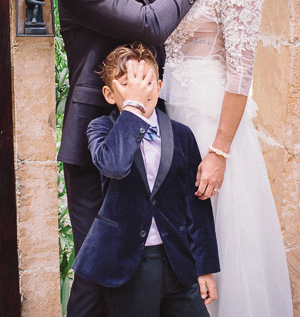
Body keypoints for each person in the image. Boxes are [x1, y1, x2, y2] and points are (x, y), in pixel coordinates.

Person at [75, 0, 294, 315]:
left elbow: (241, 76)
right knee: (169, 221)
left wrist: (219, 152)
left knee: (218, 230)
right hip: (167, 117)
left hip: (213, 126)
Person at [56, 0, 225, 315]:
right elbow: (152, 24)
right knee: (97, 278)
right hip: (100, 149)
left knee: (155, 262)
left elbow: (158, 6)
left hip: (154, 142)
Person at [75, 43, 220, 317]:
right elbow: (114, 166)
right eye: (130, 84)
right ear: (109, 94)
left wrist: (205, 267)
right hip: (129, 265)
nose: (141, 91)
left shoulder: (182, 134)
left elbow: (196, 205)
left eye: (148, 82)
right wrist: (132, 108)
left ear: (160, 86)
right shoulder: (101, 129)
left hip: (179, 262)